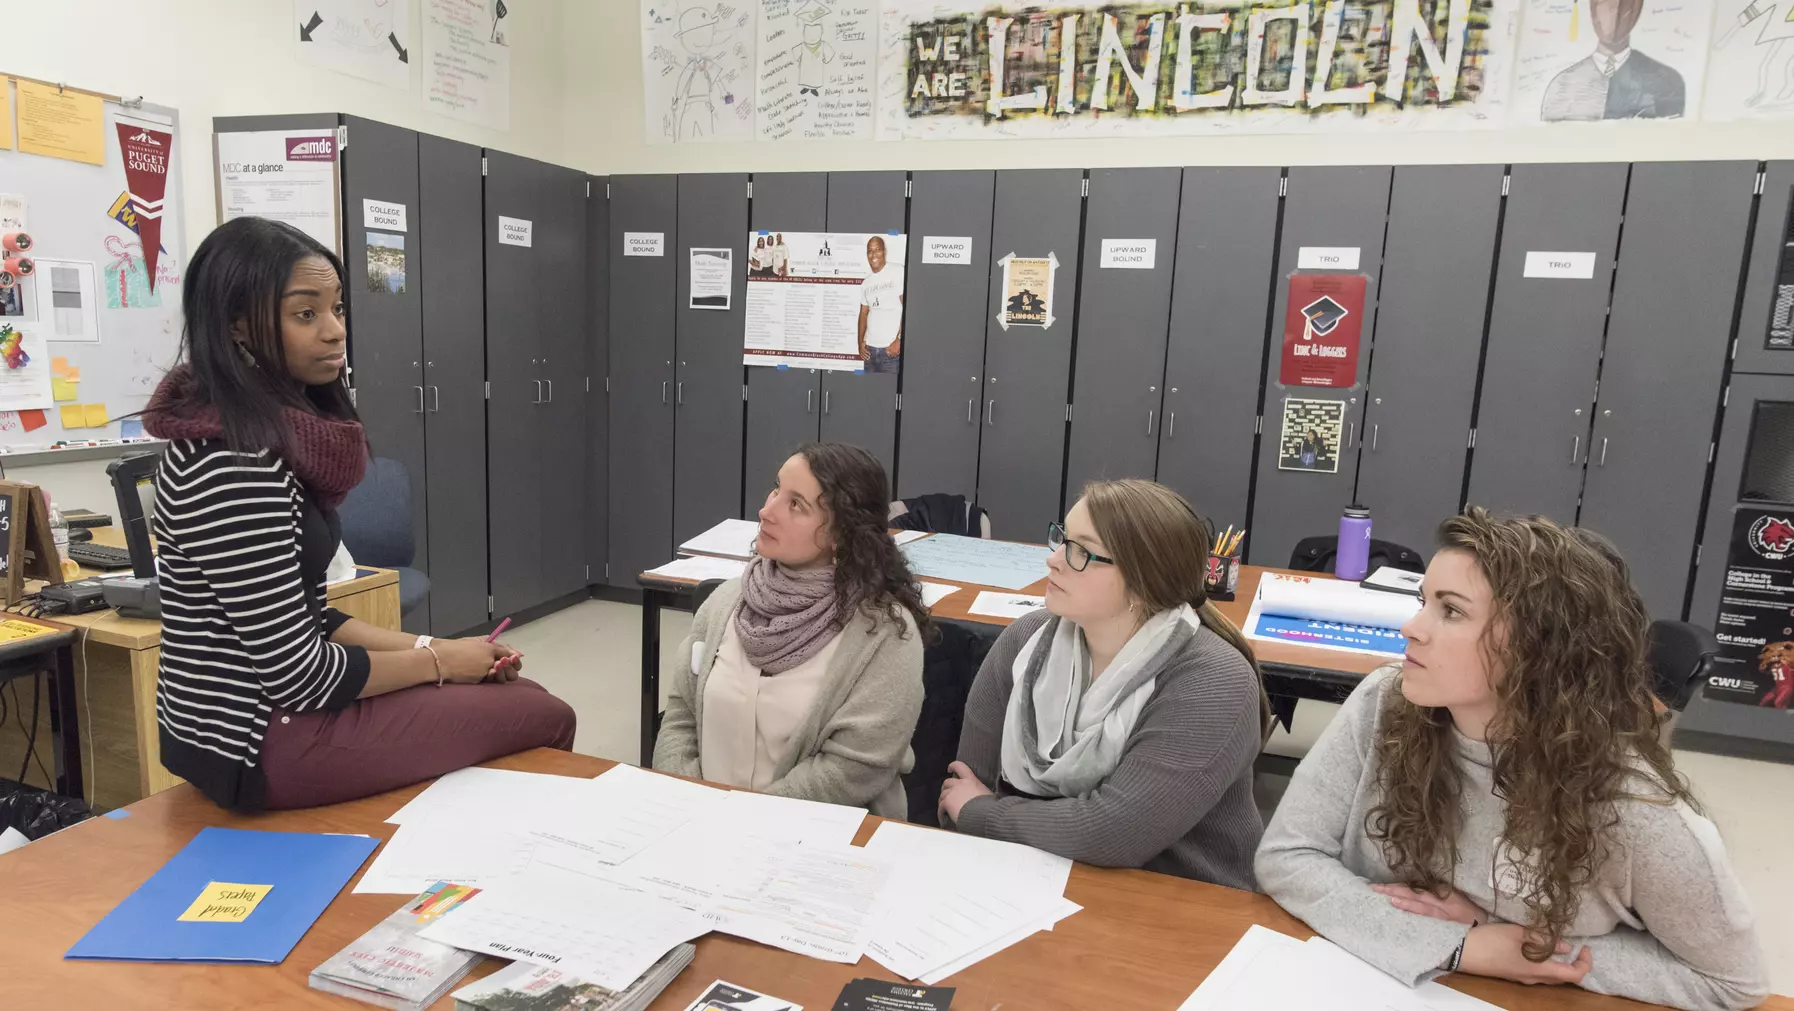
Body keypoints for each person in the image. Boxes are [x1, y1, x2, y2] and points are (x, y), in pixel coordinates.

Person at [1255, 509, 1770, 1011]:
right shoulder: (1383, 703)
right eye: (1423, 602)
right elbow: (1286, 857)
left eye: (1451, 610)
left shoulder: (1636, 809)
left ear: (1539, 649)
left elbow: (1732, 983)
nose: (1411, 627)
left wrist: (1516, 945)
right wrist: (1462, 945)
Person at [144, 216, 576, 812]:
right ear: (238, 326)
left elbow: (311, 615)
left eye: (338, 309)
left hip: (264, 720)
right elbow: (301, 675)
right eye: (305, 314)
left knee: (513, 693)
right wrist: (440, 661)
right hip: (256, 740)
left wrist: (433, 648)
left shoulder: (254, 438)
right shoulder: (235, 466)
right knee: (545, 715)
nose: (335, 332)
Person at [940, 479, 1271, 889]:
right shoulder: (1026, 640)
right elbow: (965, 785)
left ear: (1143, 578)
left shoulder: (1212, 679)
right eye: (1061, 539)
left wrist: (985, 814)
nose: (1054, 560)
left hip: (1176, 898)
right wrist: (976, 813)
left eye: (1081, 551)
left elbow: (1115, 833)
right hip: (1027, 879)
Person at [654, 442, 927, 817]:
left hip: (816, 842)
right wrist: (688, 802)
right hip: (699, 826)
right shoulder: (725, 602)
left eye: (796, 504)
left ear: (843, 534)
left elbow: (854, 769)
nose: (766, 511)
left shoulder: (885, 635)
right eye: (775, 489)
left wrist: (743, 820)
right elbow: (681, 717)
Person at [1541, 0, 1686, 121]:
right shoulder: (1563, 85)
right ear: (1593, 9)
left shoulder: (1666, 82)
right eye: (1605, 3)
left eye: (1626, 4)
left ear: (1638, 9)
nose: (1616, 13)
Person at [857, 236, 904, 375]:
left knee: (889, 395)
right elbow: (863, 313)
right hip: (870, 352)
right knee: (870, 395)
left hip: (891, 352)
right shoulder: (867, 282)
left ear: (884, 252)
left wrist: (900, 339)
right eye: (870, 251)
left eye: (877, 249)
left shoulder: (898, 271)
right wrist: (860, 343)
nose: (874, 254)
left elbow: (907, 308)